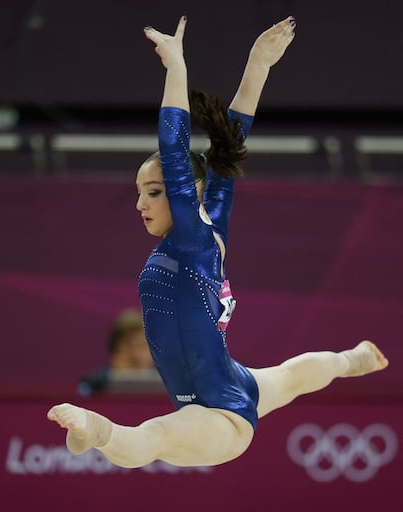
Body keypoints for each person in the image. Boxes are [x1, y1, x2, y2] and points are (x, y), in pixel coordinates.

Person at [47, 16, 388, 468]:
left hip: (220, 419)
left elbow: (174, 148)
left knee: (154, 437)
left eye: (154, 192)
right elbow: (232, 140)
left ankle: (98, 430)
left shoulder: (193, 239)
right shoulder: (211, 226)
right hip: (234, 379)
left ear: (187, 189)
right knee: (289, 377)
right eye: (138, 194)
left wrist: (176, 67)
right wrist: (258, 65)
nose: (140, 205)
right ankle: (351, 359)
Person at [77, 308, 159, 395]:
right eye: (129, 345)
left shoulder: (169, 386)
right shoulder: (93, 385)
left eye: (141, 345)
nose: (135, 354)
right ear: (115, 350)